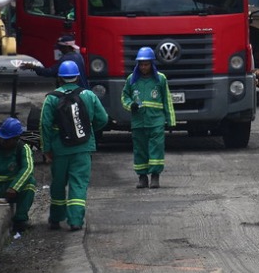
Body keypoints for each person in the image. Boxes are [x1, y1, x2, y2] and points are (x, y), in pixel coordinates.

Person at [40, 60, 109, 231]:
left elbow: (44, 125)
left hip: (59, 149)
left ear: (60, 78)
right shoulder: (89, 95)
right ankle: (76, 221)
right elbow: (103, 119)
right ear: (77, 76)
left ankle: (55, 219)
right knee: (78, 184)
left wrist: (46, 149)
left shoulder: (51, 98)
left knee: (58, 183)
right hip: (83, 147)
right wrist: (88, 131)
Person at [122, 47, 176, 189]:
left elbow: (167, 100)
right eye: (141, 64)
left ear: (152, 64)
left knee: (156, 149)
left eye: (146, 64)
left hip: (156, 121)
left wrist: (171, 120)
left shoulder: (160, 79)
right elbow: (124, 96)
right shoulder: (131, 80)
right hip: (138, 123)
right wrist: (130, 105)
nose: (144, 67)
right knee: (140, 149)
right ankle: (142, 177)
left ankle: (155, 177)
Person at [0, 117, 36, 233]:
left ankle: (20, 220)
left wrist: (15, 187)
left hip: (11, 189)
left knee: (30, 183)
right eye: (2, 138)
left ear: (16, 139)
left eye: (7, 140)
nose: (3, 141)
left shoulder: (23, 149)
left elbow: (27, 169)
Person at [21, 34, 89, 89]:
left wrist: (34, 67)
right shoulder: (78, 56)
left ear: (66, 47)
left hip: (71, 93)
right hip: (82, 90)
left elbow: (50, 72)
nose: (59, 49)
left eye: (60, 47)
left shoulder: (66, 59)